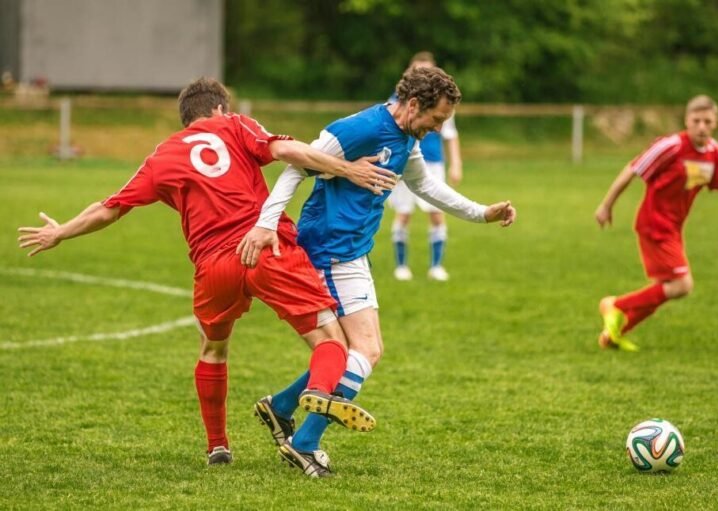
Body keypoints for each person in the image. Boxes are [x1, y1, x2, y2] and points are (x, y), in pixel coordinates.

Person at [17, 77, 399, 467]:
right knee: (330, 341)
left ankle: (217, 445)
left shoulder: (162, 156)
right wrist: (346, 169)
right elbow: (287, 150)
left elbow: (109, 208)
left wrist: (61, 232)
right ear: (220, 108)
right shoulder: (236, 125)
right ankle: (319, 392)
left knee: (214, 349)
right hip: (266, 248)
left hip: (214, 268)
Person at [239, 66, 516, 477]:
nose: (438, 129)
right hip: (331, 249)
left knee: (358, 351)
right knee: (366, 350)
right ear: (414, 104)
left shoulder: (407, 137)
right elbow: (296, 165)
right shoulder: (359, 128)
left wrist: (481, 213)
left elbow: (425, 186)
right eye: (436, 119)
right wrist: (266, 223)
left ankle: (281, 407)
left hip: (353, 252)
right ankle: (305, 443)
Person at [594, 95, 718, 351]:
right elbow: (632, 169)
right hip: (654, 224)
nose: (701, 126)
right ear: (687, 120)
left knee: (666, 288)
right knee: (681, 285)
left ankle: (613, 334)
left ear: (715, 123)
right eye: (696, 120)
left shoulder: (714, 153)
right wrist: (606, 205)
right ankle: (615, 305)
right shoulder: (672, 146)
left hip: (675, 228)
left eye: (707, 121)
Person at [388, 51, 463, 281]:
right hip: (403, 163)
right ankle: (401, 266)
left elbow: (450, 135)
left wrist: (456, 163)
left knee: (437, 212)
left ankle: (436, 266)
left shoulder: (443, 102)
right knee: (403, 213)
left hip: (432, 163)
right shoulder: (396, 101)